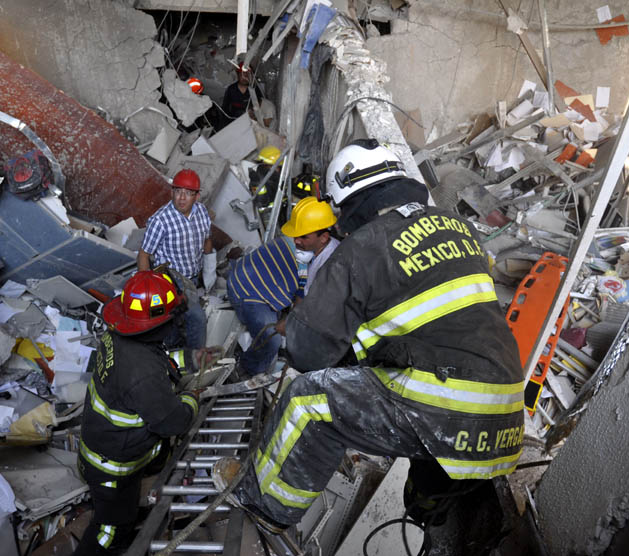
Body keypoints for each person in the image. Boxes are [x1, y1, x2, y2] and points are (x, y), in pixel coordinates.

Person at [214, 139, 525, 533]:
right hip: (506, 415)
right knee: (418, 424)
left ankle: (265, 504)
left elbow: (309, 351)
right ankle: (427, 503)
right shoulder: (460, 228)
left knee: (307, 400)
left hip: (449, 399)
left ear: (349, 202)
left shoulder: (362, 247)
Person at [75, 271, 199, 554]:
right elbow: (173, 421)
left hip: (100, 445)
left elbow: (157, 364)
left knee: (125, 508)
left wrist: (191, 359)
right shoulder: (141, 372)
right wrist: (192, 398)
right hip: (112, 466)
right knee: (112, 527)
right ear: (157, 325)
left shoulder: (120, 337)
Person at [227, 198, 338, 376]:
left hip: (259, 282)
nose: (297, 241)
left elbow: (306, 301)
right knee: (273, 341)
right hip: (246, 290)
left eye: (304, 237)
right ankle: (245, 370)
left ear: (324, 237)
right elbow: (303, 300)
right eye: (296, 235)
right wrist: (289, 324)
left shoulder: (329, 264)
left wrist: (291, 322)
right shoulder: (312, 246)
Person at [138, 169, 215, 350]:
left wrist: (209, 270)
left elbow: (207, 240)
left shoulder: (202, 212)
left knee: (179, 318)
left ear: (196, 196)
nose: (182, 197)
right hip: (171, 279)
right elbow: (144, 254)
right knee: (196, 316)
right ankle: (195, 359)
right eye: (178, 191)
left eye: (188, 193)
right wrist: (147, 286)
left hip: (193, 276)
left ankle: (174, 343)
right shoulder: (160, 220)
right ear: (172, 192)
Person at [220, 64, 263, 128]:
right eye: (242, 75)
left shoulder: (255, 89)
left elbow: (260, 103)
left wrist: (253, 111)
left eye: (247, 75)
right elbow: (224, 109)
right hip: (234, 121)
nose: (244, 78)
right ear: (238, 75)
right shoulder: (231, 89)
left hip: (250, 122)